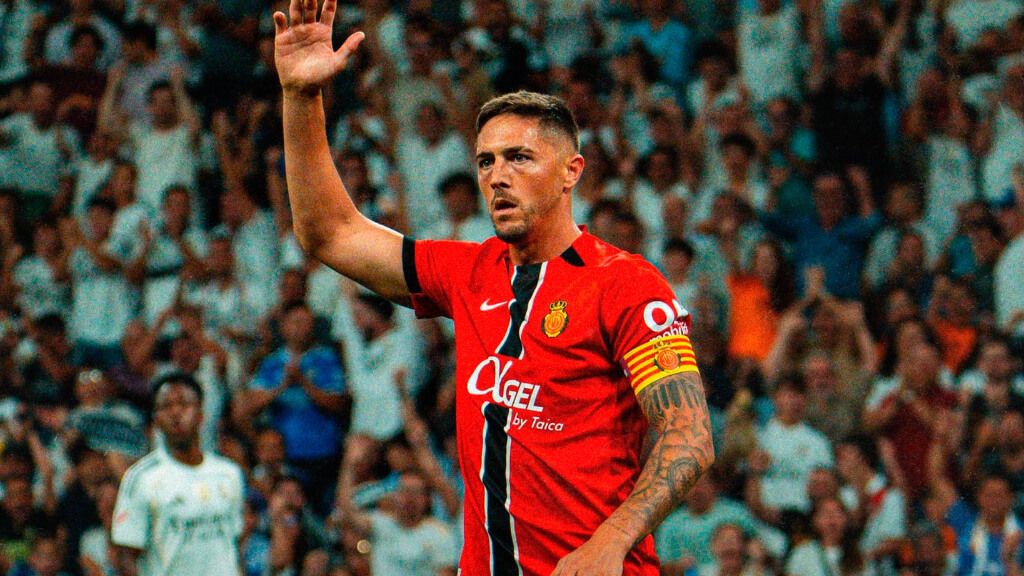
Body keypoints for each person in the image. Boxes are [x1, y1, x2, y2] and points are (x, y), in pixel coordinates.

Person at [271, 2, 715, 574]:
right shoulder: (467, 271)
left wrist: (611, 541)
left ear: (571, 171)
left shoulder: (626, 285)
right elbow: (328, 232)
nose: (496, 176)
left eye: (519, 158)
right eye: (485, 161)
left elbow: (689, 436)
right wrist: (301, 98)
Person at [110, 372, 245, 575]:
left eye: (184, 404)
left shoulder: (229, 473)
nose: (176, 413)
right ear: (156, 419)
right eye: (166, 406)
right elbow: (127, 554)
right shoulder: (141, 478)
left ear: (201, 414)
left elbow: (233, 545)